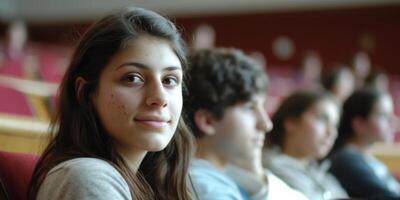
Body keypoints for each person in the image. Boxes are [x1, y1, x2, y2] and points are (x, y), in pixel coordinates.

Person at [28, 7, 194, 200]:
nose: (160, 98)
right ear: (86, 93)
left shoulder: (157, 184)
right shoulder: (88, 177)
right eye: (133, 78)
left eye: (170, 80)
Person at [185, 48, 308, 200]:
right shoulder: (207, 189)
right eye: (250, 108)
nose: (266, 124)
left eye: (263, 106)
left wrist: (256, 172)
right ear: (207, 121)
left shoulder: (226, 175)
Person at [263, 90, 348, 200]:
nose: (332, 132)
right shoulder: (269, 170)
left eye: (335, 125)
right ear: (291, 122)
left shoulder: (320, 171)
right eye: (322, 119)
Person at [329, 88, 400, 198]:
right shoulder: (346, 160)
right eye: (383, 115)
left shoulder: (365, 158)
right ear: (359, 124)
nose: (393, 121)